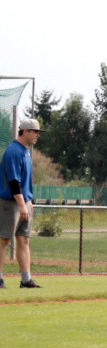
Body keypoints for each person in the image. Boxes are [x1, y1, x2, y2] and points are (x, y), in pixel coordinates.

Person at [1, 117, 44, 289]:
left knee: (24, 240)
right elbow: (13, 180)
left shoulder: (26, 151)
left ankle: (26, 279)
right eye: (35, 131)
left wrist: (28, 200)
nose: (37, 135)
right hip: (10, 202)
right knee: (3, 240)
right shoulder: (13, 150)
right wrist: (21, 203)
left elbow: (25, 180)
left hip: (23, 201)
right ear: (25, 131)